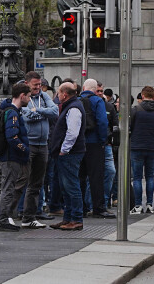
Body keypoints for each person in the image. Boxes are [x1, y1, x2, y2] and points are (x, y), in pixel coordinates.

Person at [19, 72, 56, 228]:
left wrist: (37, 111)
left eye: (39, 84)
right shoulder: (24, 98)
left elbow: (54, 112)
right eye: (35, 85)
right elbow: (27, 117)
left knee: (37, 183)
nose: (38, 87)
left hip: (43, 144)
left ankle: (29, 217)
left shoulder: (43, 96)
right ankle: (10, 214)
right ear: (27, 84)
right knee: (22, 181)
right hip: (30, 144)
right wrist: (43, 113)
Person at [49, 82, 86, 231]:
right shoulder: (71, 106)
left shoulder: (74, 108)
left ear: (65, 94)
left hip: (70, 153)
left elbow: (72, 132)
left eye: (58, 92)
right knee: (66, 187)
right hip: (68, 153)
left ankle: (76, 219)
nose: (57, 95)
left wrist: (64, 150)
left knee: (71, 186)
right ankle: (68, 218)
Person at [0, 82, 32, 231]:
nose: (30, 100)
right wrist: (24, 149)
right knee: (9, 187)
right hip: (12, 157)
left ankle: (4, 217)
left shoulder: (11, 111)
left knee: (10, 186)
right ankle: (3, 219)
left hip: (11, 156)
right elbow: (12, 137)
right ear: (22, 96)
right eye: (29, 97)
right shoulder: (13, 113)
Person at [78, 79, 114, 219]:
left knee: (80, 177)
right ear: (94, 89)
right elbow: (102, 122)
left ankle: (81, 207)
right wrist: (102, 140)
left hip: (80, 144)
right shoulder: (97, 101)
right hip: (95, 143)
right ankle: (98, 208)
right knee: (96, 177)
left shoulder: (77, 100)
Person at [131, 85, 154, 213]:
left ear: (143, 95)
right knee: (150, 177)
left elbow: (131, 126)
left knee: (138, 177)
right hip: (152, 147)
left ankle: (138, 205)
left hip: (137, 146)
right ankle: (150, 204)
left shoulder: (136, 109)